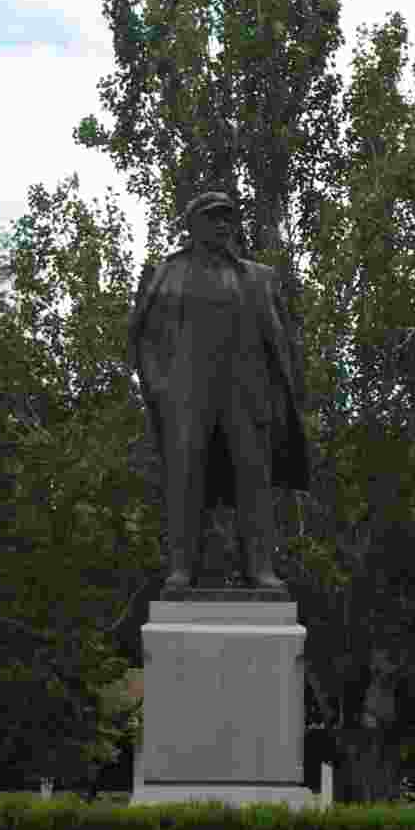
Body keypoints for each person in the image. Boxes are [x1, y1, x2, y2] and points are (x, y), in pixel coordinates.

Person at [128, 190, 310, 590]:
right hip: (188, 395)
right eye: (213, 218)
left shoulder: (258, 278)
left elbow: (282, 343)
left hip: (246, 395)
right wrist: (159, 388)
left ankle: (260, 568)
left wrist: (282, 395)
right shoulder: (165, 274)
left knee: (254, 481)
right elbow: (144, 339)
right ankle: (182, 568)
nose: (223, 225)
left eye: (228, 218)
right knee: (184, 480)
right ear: (192, 225)